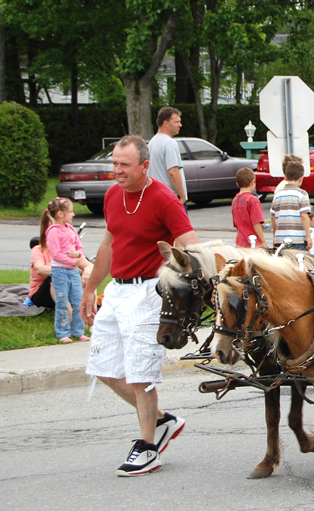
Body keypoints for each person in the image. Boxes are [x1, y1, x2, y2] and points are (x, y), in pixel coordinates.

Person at [80, 135, 199, 477]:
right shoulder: (114, 195)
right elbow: (109, 243)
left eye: (124, 165)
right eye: (114, 164)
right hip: (117, 290)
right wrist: (91, 289)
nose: (116, 171)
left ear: (144, 166)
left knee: (140, 374)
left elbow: (189, 243)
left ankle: (148, 446)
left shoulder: (163, 198)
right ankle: (162, 421)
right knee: (102, 367)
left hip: (149, 292)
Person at [41, 197, 91, 343]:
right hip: (60, 271)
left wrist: (79, 255)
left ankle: (78, 331)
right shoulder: (53, 232)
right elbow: (56, 254)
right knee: (62, 302)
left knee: (78, 301)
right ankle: (62, 332)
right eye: (70, 212)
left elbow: (79, 246)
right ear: (60, 214)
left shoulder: (70, 230)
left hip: (73, 271)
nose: (73, 214)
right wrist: (73, 261)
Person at [147, 107, 187, 206]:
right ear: (166, 123)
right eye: (177, 122)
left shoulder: (152, 142)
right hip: (171, 197)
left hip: (156, 196)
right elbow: (173, 172)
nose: (180, 125)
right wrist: (182, 196)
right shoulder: (169, 143)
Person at [270, 160, 312, 249]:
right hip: (297, 239)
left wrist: (275, 236)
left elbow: (273, 217)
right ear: (301, 178)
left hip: (280, 239)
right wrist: (308, 236)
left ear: (285, 177)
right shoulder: (302, 194)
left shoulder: (277, 195)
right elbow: (304, 215)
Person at [231, 167, 265, 248]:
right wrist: (263, 242)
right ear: (252, 182)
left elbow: (237, 224)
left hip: (240, 243)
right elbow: (256, 223)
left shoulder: (235, 200)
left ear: (237, 184)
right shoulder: (253, 200)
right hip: (253, 243)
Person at [26, 237, 55, 309]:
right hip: (40, 294)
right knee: (55, 276)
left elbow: (85, 264)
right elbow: (40, 269)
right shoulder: (38, 249)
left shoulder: (68, 250)